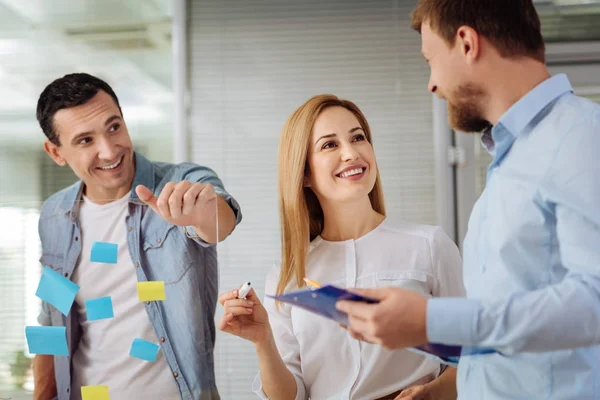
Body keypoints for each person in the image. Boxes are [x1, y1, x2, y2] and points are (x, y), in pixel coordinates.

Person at [336, 1, 600, 399]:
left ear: (465, 43)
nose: (432, 84)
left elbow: (593, 302)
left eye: (431, 60)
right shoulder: (510, 163)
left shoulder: (580, 136)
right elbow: (513, 332)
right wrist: (440, 386)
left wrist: (432, 319)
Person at [218, 94, 464, 399]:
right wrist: (262, 339)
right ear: (304, 173)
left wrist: (432, 393)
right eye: (329, 144)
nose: (351, 153)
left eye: (358, 138)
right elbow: (289, 395)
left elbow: (470, 357)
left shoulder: (429, 246)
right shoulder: (288, 276)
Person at [33, 73, 242, 400]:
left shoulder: (181, 181)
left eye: (113, 127)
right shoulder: (54, 215)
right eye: (85, 140)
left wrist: (200, 213)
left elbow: (221, 220)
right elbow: (50, 319)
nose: (108, 150)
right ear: (56, 152)